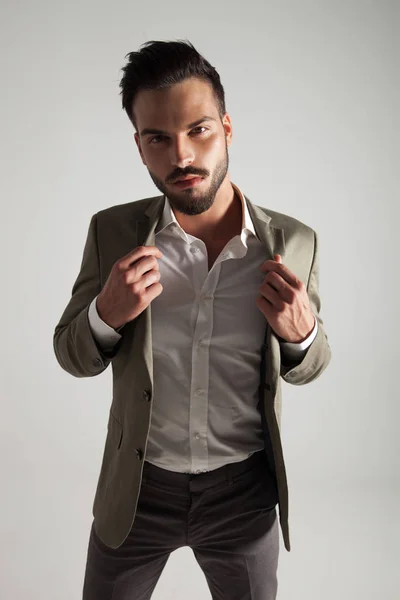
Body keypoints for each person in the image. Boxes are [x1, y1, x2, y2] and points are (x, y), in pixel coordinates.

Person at [53, 39, 332, 600]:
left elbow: (310, 367)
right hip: (136, 491)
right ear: (139, 146)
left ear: (227, 127)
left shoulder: (293, 241)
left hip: (243, 496)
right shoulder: (112, 233)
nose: (181, 155)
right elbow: (71, 354)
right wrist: (105, 315)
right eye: (159, 137)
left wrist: (301, 332)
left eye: (199, 129)